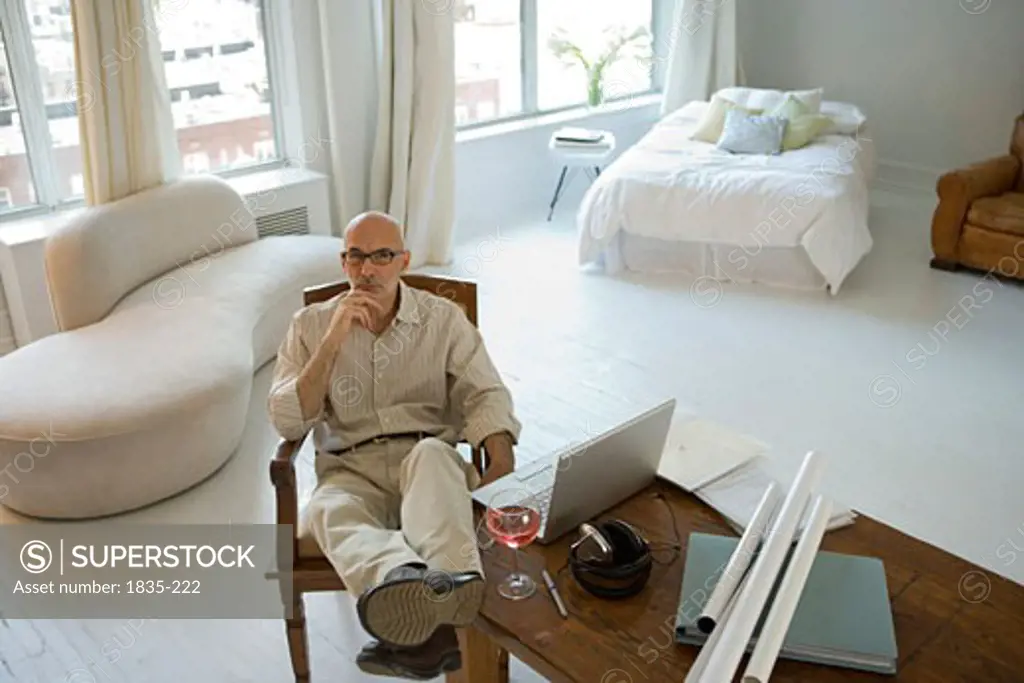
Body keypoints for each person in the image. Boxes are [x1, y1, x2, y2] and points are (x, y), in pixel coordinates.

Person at [267, 211, 521, 680]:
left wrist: (501, 465)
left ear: (402, 260)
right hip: (350, 467)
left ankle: (419, 619)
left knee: (433, 459)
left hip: (425, 456)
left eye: (382, 256)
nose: (369, 270)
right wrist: (331, 342)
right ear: (343, 264)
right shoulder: (310, 325)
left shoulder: (442, 318)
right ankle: (411, 590)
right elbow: (287, 419)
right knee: (328, 509)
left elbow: (484, 393)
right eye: (357, 257)